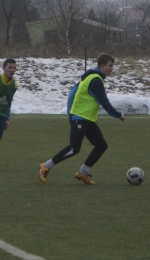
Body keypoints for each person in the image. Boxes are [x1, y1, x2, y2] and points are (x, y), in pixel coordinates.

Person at [39, 53, 125, 185]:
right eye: (110, 65)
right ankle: (46, 166)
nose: (112, 68)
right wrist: (117, 114)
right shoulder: (95, 80)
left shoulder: (92, 77)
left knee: (101, 145)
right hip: (80, 118)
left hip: (88, 119)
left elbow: (73, 90)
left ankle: (83, 172)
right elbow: (104, 102)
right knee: (74, 148)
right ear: (102, 65)